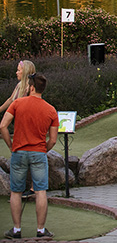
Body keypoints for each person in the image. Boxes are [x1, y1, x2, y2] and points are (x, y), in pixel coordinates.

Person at [0, 73, 59, 239]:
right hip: (38, 153)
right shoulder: (50, 109)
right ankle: (41, 230)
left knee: (16, 192)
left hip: (19, 152)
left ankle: (16, 230)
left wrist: (11, 146)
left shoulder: (18, 103)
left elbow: (3, 126)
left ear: (31, 87)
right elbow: (53, 140)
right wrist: (42, 149)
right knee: (40, 191)